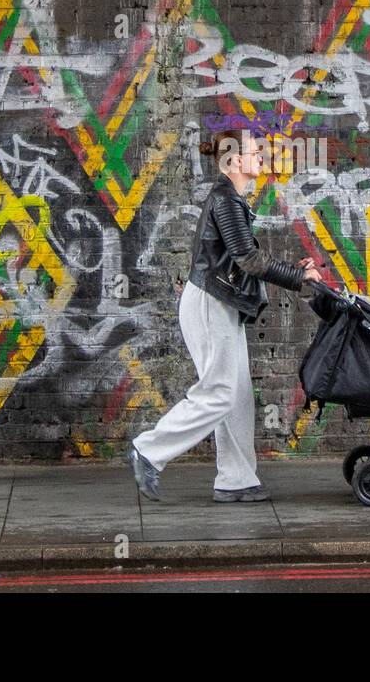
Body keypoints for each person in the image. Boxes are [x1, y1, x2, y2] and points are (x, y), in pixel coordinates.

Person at [128, 129, 322, 503]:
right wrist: (299, 278)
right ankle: (148, 450)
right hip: (209, 304)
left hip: (222, 303)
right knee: (219, 392)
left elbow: (245, 257)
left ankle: (236, 479)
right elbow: (248, 260)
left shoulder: (231, 200)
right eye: (254, 152)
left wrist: (294, 270)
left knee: (238, 395)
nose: (261, 157)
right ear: (235, 161)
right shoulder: (226, 201)